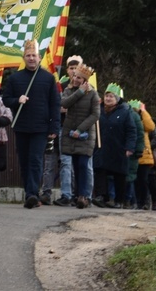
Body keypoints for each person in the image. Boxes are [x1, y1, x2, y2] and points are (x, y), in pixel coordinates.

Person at [2, 39, 61, 209]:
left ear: (39, 57)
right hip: (21, 126)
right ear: (24, 57)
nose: (31, 58)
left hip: (40, 127)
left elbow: (55, 104)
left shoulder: (49, 79)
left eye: (34, 55)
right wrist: (16, 100)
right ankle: (30, 192)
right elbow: (6, 100)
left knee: (35, 160)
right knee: (25, 161)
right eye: (28, 55)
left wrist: (54, 127)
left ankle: (32, 194)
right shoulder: (15, 78)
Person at [58, 63, 100, 209]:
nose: (75, 79)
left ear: (85, 80)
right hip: (69, 133)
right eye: (75, 76)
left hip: (86, 134)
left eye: (79, 77)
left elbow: (95, 114)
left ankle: (84, 195)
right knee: (74, 164)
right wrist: (79, 92)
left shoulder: (93, 94)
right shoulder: (69, 91)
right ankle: (76, 196)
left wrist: (80, 129)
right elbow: (64, 103)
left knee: (83, 164)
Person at [91, 83, 136, 209]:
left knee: (119, 175)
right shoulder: (98, 110)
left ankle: (119, 200)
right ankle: (101, 196)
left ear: (117, 99)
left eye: (111, 96)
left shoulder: (125, 112)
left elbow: (131, 131)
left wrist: (129, 147)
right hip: (101, 147)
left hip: (118, 148)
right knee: (100, 170)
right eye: (106, 96)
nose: (108, 99)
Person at [46, 55, 82, 205]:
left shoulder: (84, 86)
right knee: (50, 162)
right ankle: (48, 192)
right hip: (58, 126)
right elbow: (55, 104)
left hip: (76, 129)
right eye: (71, 68)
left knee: (72, 163)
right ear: (67, 70)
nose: (74, 71)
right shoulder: (60, 85)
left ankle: (72, 193)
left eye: (76, 68)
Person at [130, 100, 156, 209]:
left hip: (144, 155)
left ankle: (144, 202)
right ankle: (137, 201)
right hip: (133, 154)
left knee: (143, 180)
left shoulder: (143, 121)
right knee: (134, 180)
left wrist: (144, 111)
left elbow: (151, 127)